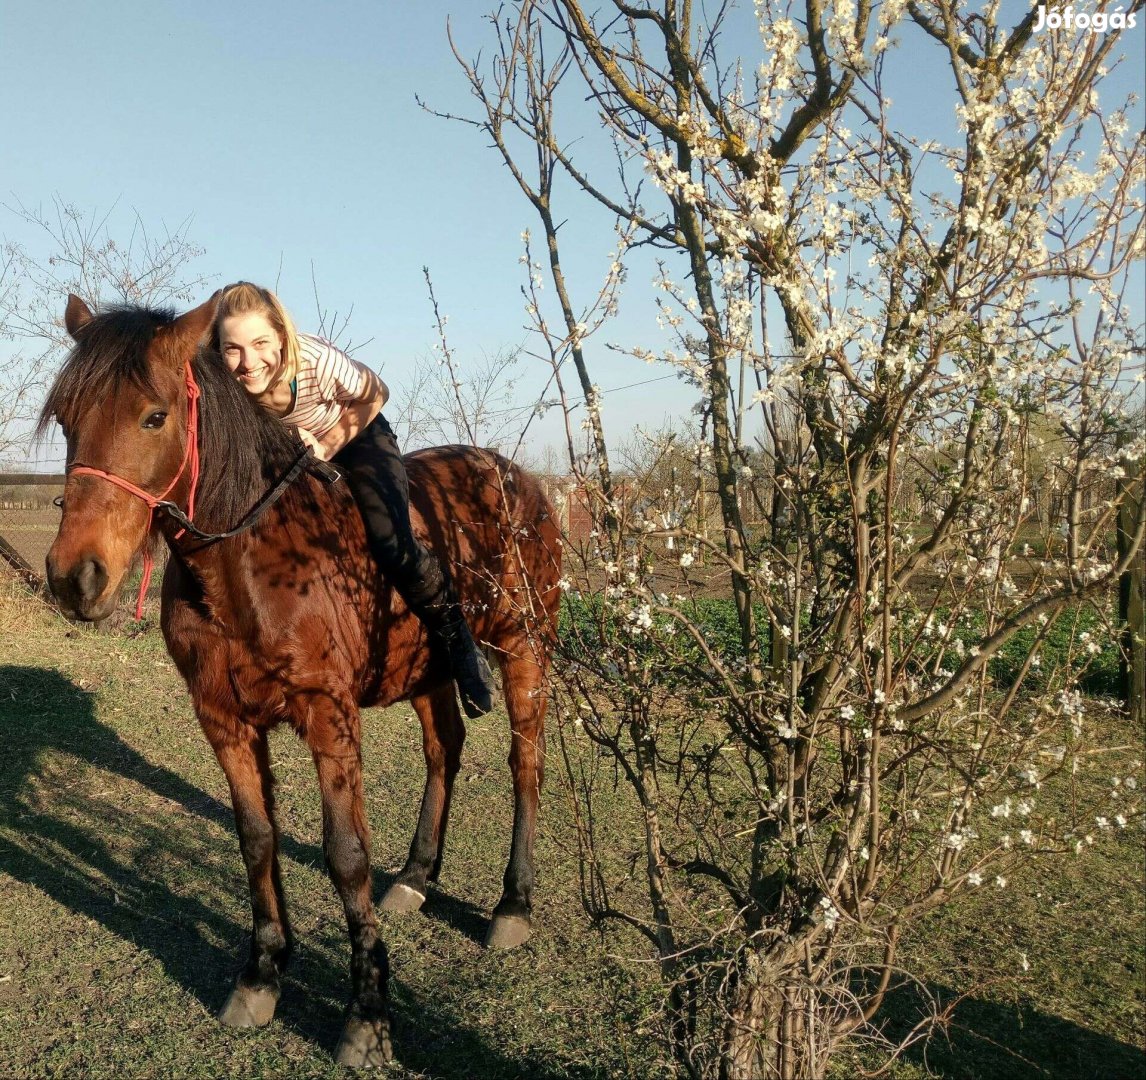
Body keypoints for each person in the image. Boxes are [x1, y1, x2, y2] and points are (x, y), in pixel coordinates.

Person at [207, 281, 494, 718]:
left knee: (389, 539)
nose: (248, 361)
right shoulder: (225, 383)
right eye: (233, 348)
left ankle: (461, 647)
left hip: (357, 431)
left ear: (281, 337)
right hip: (292, 453)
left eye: (260, 342)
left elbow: (376, 393)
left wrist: (325, 443)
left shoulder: (316, 360)